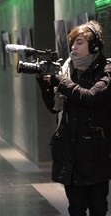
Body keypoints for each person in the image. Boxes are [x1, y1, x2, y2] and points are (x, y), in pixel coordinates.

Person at [36, 20, 111, 215]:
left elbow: (91, 97)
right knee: (75, 208)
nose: (73, 47)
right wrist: (45, 84)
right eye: (72, 42)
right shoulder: (68, 70)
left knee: (98, 208)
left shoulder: (106, 70)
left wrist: (60, 81)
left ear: (93, 46)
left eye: (79, 42)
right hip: (71, 153)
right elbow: (55, 107)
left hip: (96, 155)